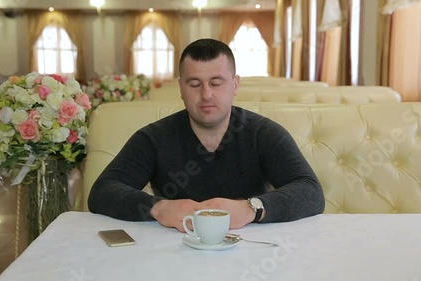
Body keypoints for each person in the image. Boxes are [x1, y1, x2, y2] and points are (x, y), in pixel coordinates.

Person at [88, 38, 325, 232]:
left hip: (251, 248)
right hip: (172, 250)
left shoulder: (264, 133)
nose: (206, 95)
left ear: (235, 85)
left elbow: (310, 191)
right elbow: (103, 191)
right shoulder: (154, 137)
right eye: (194, 84)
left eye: (216, 82)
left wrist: (251, 208)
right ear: (181, 88)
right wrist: (158, 208)